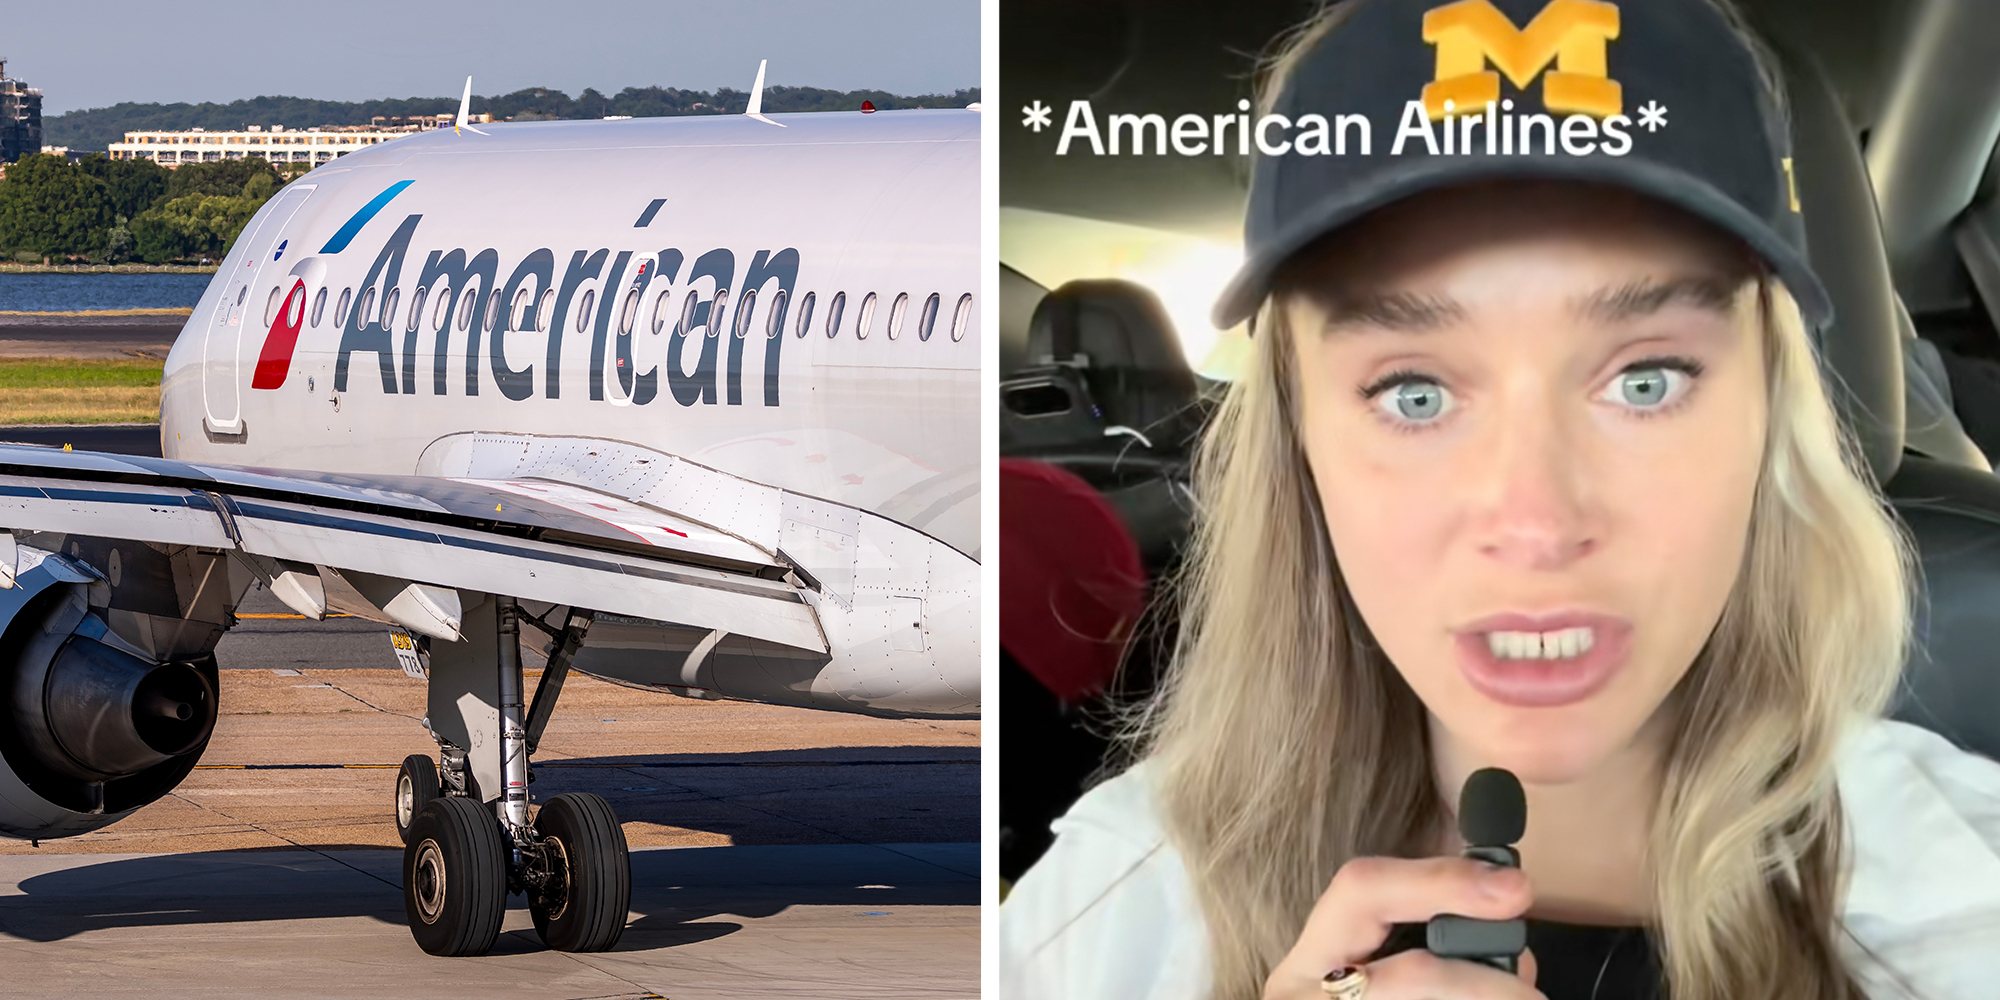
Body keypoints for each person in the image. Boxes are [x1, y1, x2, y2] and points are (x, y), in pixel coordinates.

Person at [998, 0, 2000, 998]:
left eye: (1645, 379)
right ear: (1300, 457)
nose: (1533, 523)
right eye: (1413, 393)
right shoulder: (1100, 913)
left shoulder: (1964, 886)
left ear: (1768, 424)